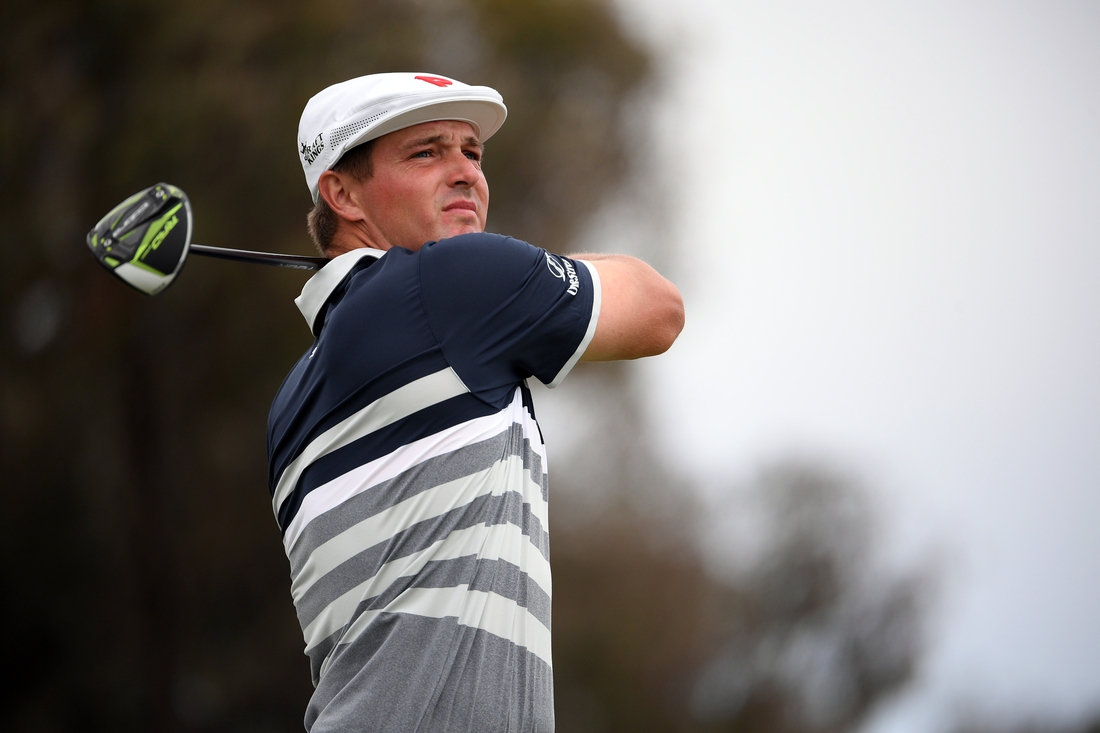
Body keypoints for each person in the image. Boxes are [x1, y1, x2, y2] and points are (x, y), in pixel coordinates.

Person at [267, 72, 684, 733]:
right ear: (341, 193)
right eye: (427, 152)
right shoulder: (454, 287)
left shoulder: (290, 401)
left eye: (472, 152)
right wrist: (511, 271)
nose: (466, 173)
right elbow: (660, 308)